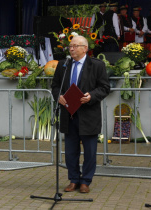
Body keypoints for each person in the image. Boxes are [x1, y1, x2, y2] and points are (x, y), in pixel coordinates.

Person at [51, 35, 110, 193]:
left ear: (85, 48)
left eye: (75, 46)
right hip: (69, 114)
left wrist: (91, 96)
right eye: (70, 46)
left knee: (90, 151)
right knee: (71, 151)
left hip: (88, 114)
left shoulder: (96, 65)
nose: (71, 48)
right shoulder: (64, 64)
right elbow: (55, 86)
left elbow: (104, 87)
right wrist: (59, 97)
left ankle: (86, 181)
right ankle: (74, 179)